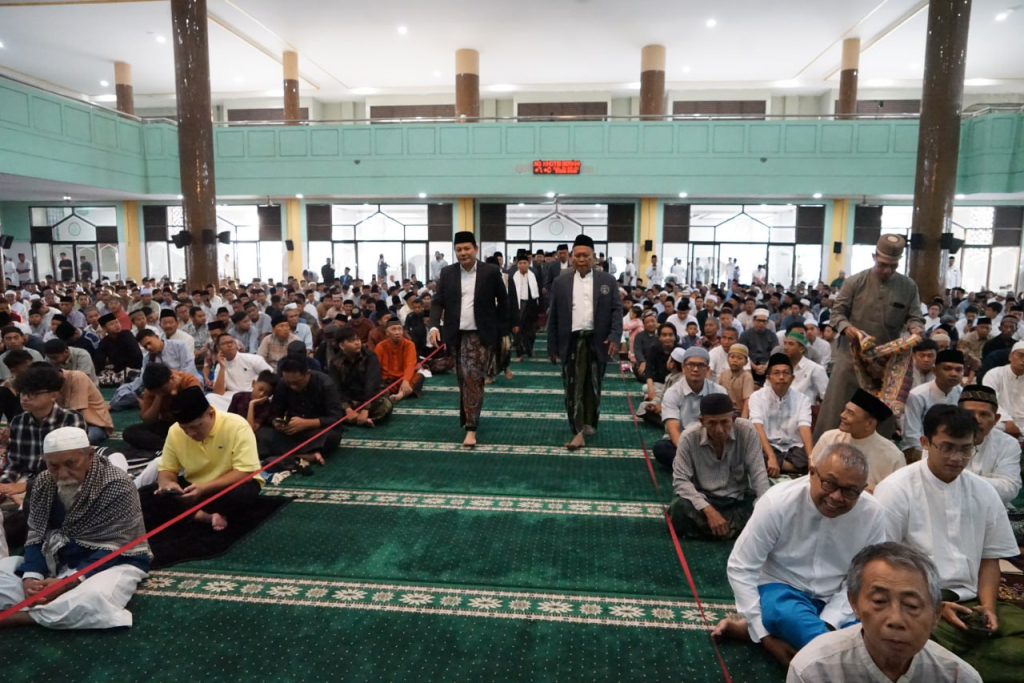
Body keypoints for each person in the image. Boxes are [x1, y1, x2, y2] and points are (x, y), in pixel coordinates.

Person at [874, 405, 1023, 683]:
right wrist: (936, 606)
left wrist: (988, 607)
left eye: (966, 449)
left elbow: (990, 559)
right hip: (915, 603)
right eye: (947, 447)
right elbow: (882, 567)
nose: (957, 458)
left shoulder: (984, 492)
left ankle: (960, 668)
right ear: (925, 443)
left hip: (972, 602)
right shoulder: (896, 490)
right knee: (905, 643)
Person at [712, 443, 887, 666]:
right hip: (783, 591)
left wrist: (830, 622)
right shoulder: (777, 502)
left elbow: (865, 579)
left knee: (880, 634)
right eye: (830, 483)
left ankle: (807, 648)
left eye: (849, 491)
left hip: (841, 599)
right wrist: (765, 636)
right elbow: (741, 567)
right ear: (812, 472)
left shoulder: (872, 514)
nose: (836, 496)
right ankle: (834, 661)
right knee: (791, 618)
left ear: (863, 489)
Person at [0, 427, 151, 630]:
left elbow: (117, 545)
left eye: (70, 464)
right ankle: (48, 608)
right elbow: (35, 535)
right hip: (58, 559)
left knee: (92, 598)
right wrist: (31, 577)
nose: (62, 473)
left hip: (111, 563)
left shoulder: (117, 483)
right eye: (53, 465)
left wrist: (66, 583)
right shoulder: (43, 482)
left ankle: (22, 617)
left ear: (89, 455)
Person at [787, 542, 982, 683]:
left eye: (912, 605)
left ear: (936, 615)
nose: (895, 620)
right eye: (880, 602)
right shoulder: (814, 670)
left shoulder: (959, 677)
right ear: (854, 603)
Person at [815, 235, 924, 439]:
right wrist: (847, 329)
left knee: (878, 418)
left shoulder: (908, 286)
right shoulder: (854, 282)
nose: (887, 270)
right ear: (874, 257)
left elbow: (915, 316)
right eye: (883, 265)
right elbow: (837, 313)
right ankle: (823, 458)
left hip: (884, 365)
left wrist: (916, 328)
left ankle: (877, 465)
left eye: (893, 266)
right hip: (850, 360)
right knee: (836, 413)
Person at [140, 387, 262, 532]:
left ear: (210, 414)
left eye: (196, 427)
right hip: (193, 487)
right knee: (147, 495)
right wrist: (167, 483)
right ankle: (204, 516)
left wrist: (204, 488)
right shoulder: (175, 431)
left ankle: (194, 513)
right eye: (185, 429)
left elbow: (244, 473)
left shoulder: (237, 426)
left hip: (227, 486)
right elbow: (167, 469)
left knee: (243, 493)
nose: (191, 433)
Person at [429, 231, 510, 448]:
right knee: (463, 380)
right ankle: (468, 418)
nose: (463, 253)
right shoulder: (447, 273)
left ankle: (471, 429)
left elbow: (504, 302)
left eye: (467, 248)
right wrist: (434, 326)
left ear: (476, 248)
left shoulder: (490, 272)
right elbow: (437, 302)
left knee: (473, 379)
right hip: (455, 335)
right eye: (458, 249)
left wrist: (502, 332)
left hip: (479, 336)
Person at [547, 235, 622, 450]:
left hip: (598, 341)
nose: (581, 259)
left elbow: (617, 310)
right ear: (571, 257)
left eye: (585, 256)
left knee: (594, 385)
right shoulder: (561, 282)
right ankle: (577, 430)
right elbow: (554, 316)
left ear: (594, 258)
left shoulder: (607, 281)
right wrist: (552, 346)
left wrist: (615, 336)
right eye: (577, 255)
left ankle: (589, 422)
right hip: (571, 342)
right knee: (573, 386)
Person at [668, 394, 769, 540]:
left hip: (737, 499)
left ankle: (716, 530)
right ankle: (734, 530)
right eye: (712, 423)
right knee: (679, 508)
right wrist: (708, 511)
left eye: (724, 422)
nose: (719, 429)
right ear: (702, 421)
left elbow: (759, 475)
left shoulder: (747, 431)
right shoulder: (689, 437)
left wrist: (763, 509)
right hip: (704, 500)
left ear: (733, 419)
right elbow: (680, 481)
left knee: (767, 503)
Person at [0, 364, 87, 502]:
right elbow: (14, 463)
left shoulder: (71, 419)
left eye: (33, 394)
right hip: (25, 477)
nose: (24, 398)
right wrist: (4, 485)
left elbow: (71, 467)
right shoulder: (18, 421)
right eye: (22, 393)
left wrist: (27, 486)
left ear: (53, 395)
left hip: (61, 481)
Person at [811, 388, 903, 493]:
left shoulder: (892, 456)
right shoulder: (829, 439)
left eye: (850, 413)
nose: (842, 415)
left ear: (869, 423)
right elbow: (813, 474)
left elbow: (894, 494)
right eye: (844, 410)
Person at [652, 347, 727, 469]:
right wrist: (687, 452)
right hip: (682, 442)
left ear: (707, 369)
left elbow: (724, 427)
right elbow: (673, 429)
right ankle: (702, 466)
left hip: (710, 441)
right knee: (661, 448)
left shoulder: (719, 392)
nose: (695, 369)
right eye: (691, 365)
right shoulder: (673, 393)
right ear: (683, 368)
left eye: (701, 365)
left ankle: (692, 467)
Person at [261, 355, 345, 466]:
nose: (292, 386)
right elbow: (274, 413)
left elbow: (337, 418)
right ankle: (304, 455)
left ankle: (287, 454)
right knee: (261, 434)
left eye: (296, 383)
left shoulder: (325, 383)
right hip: (291, 431)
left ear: (307, 374)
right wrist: (277, 422)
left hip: (316, 431)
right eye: (289, 383)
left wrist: (307, 423)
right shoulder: (282, 384)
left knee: (331, 437)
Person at [748, 353, 814, 477]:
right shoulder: (757, 397)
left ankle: (777, 466)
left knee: (815, 456)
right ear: (768, 377)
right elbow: (757, 427)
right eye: (776, 373)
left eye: (786, 373)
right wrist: (771, 457)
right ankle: (789, 467)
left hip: (793, 448)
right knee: (751, 454)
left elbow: (804, 427)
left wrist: (811, 457)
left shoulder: (802, 399)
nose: (781, 377)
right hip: (767, 447)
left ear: (793, 377)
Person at [958, 384, 1023, 505]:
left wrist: (957, 479)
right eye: (969, 413)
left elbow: (1010, 488)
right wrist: (990, 481)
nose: (976, 419)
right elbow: (935, 481)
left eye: (984, 414)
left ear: (996, 419)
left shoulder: (1008, 444)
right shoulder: (939, 439)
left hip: (992, 508)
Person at [901, 349, 965, 462]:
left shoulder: (963, 394)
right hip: (921, 449)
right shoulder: (917, 395)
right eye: (947, 368)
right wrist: (931, 455)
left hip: (953, 448)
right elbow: (911, 435)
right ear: (935, 371)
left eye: (958, 370)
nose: (954, 374)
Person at [123, 363, 201, 451]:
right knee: (130, 432)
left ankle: (171, 447)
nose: (162, 393)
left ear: (171, 379)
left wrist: (174, 393)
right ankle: (170, 447)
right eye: (157, 392)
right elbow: (148, 420)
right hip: (168, 426)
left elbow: (195, 413)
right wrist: (159, 396)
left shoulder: (189, 381)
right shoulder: (153, 389)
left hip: (188, 426)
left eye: (163, 390)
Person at [204, 333, 272, 412]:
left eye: (231, 342)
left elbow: (270, 376)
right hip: (232, 397)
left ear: (236, 344)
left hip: (251, 395)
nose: (229, 345)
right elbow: (219, 392)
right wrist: (222, 367)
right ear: (218, 348)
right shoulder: (219, 366)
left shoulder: (252, 359)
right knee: (210, 397)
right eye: (225, 343)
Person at [54, 366, 112, 445]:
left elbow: (75, 413)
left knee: (88, 438)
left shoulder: (77, 377)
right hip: (64, 422)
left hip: (92, 422)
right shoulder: (50, 385)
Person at [982, 340, 1024, 436]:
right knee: (988, 425)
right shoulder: (994, 374)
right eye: (1021, 355)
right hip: (1000, 421)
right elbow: (990, 401)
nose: (1023, 360)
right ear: (1010, 357)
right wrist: (1007, 420)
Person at [375, 318, 423, 402]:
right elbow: (375, 368)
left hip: (403, 379)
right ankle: (392, 393)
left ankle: (400, 395)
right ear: (387, 333)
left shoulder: (409, 345)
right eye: (394, 329)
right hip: (387, 381)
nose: (398, 332)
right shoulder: (380, 346)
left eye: (400, 329)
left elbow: (410, 364)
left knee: (420, 374)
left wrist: (405, 380)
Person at [784, 330, 829, 405]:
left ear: (801, 349)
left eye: (790, 344)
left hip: (805, 411)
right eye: (785, 343)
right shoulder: (780, 367)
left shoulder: (815, 368)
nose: (785, 347)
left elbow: (826, 396)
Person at [511, 251, 540, 360]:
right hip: (518, 306)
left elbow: (539, 293)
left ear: (528, 264)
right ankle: (519, 354)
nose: (522, 265)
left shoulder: (534, 274)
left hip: (531, 305)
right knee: (518, 331)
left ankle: (529, 349)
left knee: (531, 332)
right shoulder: (513, 276)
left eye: (524, 263)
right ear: (517, 264)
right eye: (520, 263)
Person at [717, 343, 755, 416]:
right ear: (727, 359)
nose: (735, 360)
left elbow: (747, 400)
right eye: (732, 357)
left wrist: (743, 419)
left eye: (739, 358)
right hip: (722, 412)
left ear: (746, 362)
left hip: (738, 413)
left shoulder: (746, 377)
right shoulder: (723, 374)